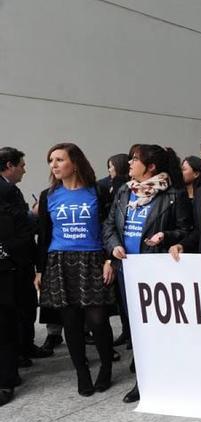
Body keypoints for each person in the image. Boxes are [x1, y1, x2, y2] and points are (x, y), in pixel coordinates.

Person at [104, 144, 193, 404]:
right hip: (127, 269)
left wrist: (167, 236)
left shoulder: (172, 195)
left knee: (160, 329)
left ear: (151, 166)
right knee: (135, 326)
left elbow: (187, 231)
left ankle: (165, 377)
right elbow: (109, 224)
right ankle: (143, 379)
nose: (130, 164)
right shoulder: (124, 191)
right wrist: (113, 246)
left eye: (135, 159)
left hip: (157, 272)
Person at [35, 143, 116, 397]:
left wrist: (108, 260)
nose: (54, 165)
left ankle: (105, 367)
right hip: (59, 260)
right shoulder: (49, 195)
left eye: (59, 159)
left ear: (75, 162)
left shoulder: (97, 191)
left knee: (98, 319)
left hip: (92, 259)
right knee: (70, 321)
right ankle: (82, 372)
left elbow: (108, 227)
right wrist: (40, 270)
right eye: (51, 161)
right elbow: (44, 235)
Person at [0, 147, 51, 366]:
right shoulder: (5, 190)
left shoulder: (9, 188)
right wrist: (34, 216)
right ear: (9, 166)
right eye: (21, 165)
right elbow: (17, 223)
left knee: (26, 305)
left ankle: (25, 347)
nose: (24, 170)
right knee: (18, 307)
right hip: (13, 261)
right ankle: (20, 351)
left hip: (18, 259)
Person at [0, 184, 32, 406]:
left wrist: (3, 249)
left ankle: (6, 379)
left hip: (4, 274)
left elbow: (25, 237)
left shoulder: (10, 210)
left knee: (4, 327)